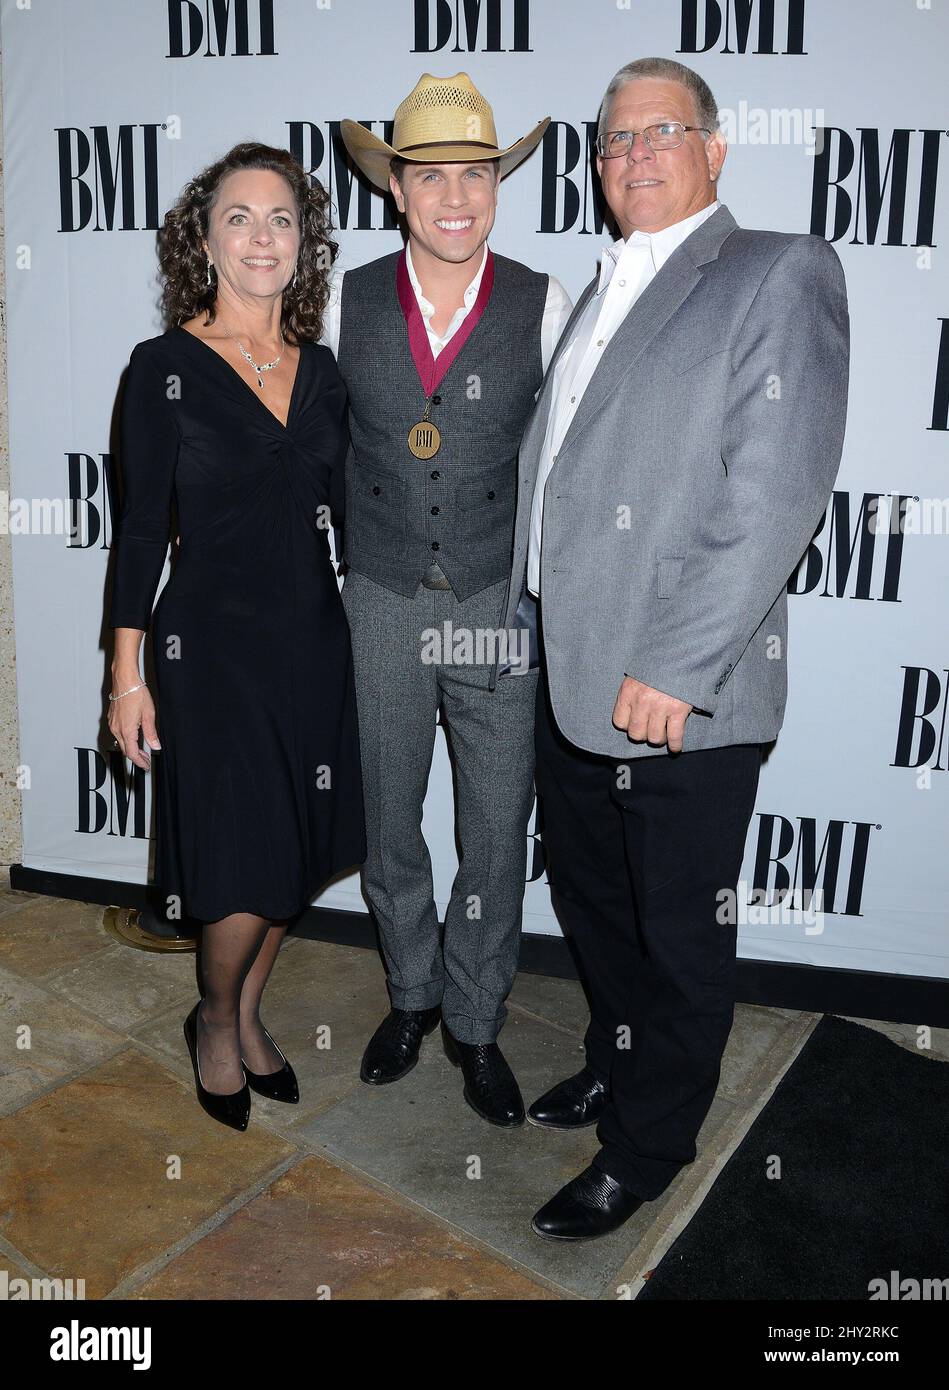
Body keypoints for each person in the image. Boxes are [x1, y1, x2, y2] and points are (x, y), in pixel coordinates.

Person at [487, 57, 850, 1237]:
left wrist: (678, 669)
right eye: (611, 141)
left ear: (714, 147)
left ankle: (645, 1151)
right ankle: (616, 1056)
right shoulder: (600, 290)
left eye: (658, 133)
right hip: (570, 671)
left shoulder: (775, 270)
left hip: (674, 695)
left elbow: (773, 494)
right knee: (597, 904)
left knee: (680, 930)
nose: (630, 156)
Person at [321, 73, 571, 1125]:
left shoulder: (542, 300)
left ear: (499, 186)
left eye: (475, 173)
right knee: (388, 822)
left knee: (491, 828)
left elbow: (567, 464)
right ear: (395, 189)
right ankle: (411, 994)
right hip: (378, 596)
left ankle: (475, 1021)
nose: (454, 195)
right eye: (432, 176)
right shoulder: (341, 296)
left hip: (492, 602)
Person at [107, 143, 366, 1132]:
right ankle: (214, 1019)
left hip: (314, 644)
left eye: (281, 220)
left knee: (297, 856)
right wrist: (126, 674)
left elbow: (360, 515)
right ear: (202, 242)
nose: (261, 237)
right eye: (239, 219)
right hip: (206, 653)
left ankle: (251, 1011)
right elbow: (137, 534)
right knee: (241, 864)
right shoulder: (164, 369)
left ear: (304, 245)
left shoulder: (326, 374)